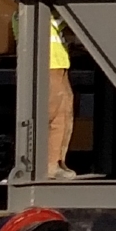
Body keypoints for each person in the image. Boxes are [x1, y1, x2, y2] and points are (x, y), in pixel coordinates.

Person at [12, 9, 75, 180]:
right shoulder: (35, 13)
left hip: (56, 65)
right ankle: (48, 165)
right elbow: (68, 17)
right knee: (53, 116)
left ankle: (56, 163)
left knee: (63, 114)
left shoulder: (31, 12)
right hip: (48, 66)